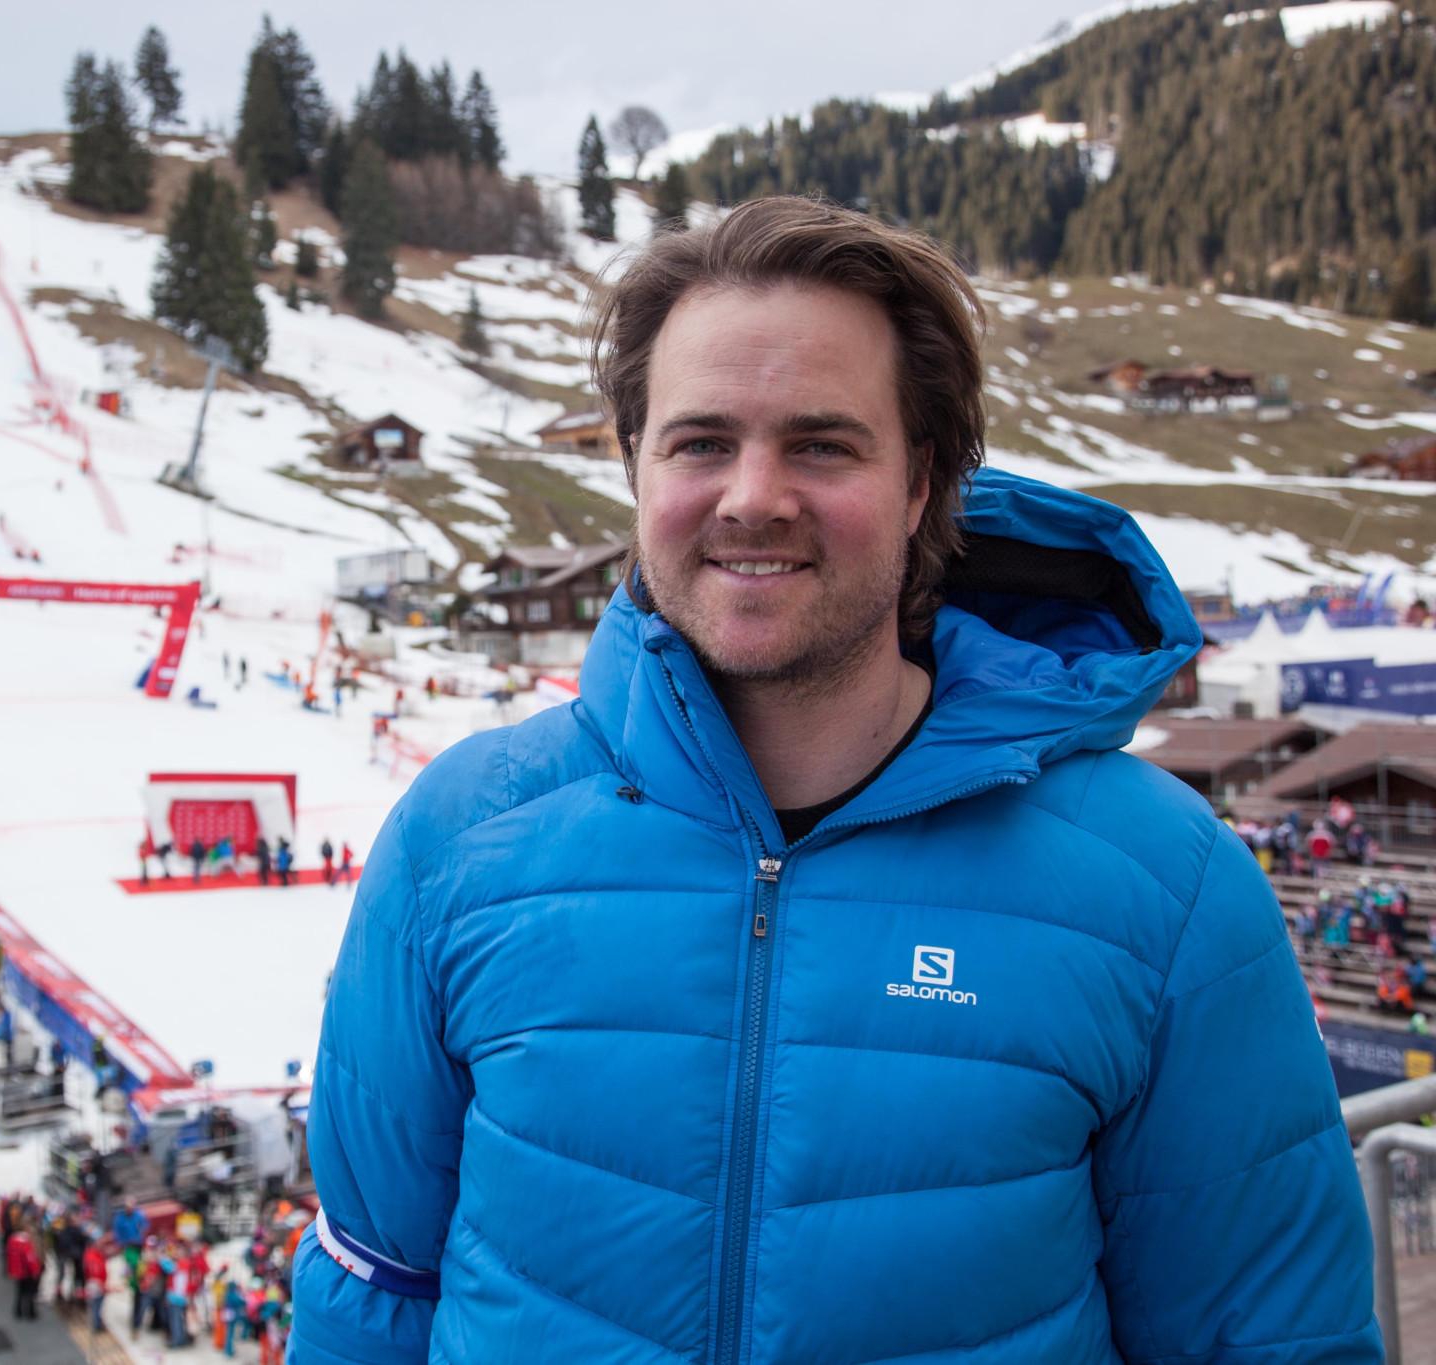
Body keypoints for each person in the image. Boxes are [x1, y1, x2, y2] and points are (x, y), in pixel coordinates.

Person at [290, 197, 1379, 1362]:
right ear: (633, 468)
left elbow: (1269, 1341)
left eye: (820, 442)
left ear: (920, 483)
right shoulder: (458, 839)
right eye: (700, 441)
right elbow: (374, 1287)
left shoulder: (1165, 889)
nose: (753, 495)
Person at [7, 1218, 43, 1320]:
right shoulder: (25, 1242)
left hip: (16, 1271)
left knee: (19, 1292)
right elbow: (29, 1258)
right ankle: (30, 1313)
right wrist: (35, 1270)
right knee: (30, 1293)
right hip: (26, 1272)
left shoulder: (12, 1240)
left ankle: (18, 1311)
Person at [83, 1236, 111, 1333]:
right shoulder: (92, 1256)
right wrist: (101, 1285)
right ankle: (96, 1325)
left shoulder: (95, 1254)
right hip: (96, 1283)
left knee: (98, 1304)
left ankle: (97, 1322)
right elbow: (94, 1271)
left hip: (97, 1282)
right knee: (96, 1304)